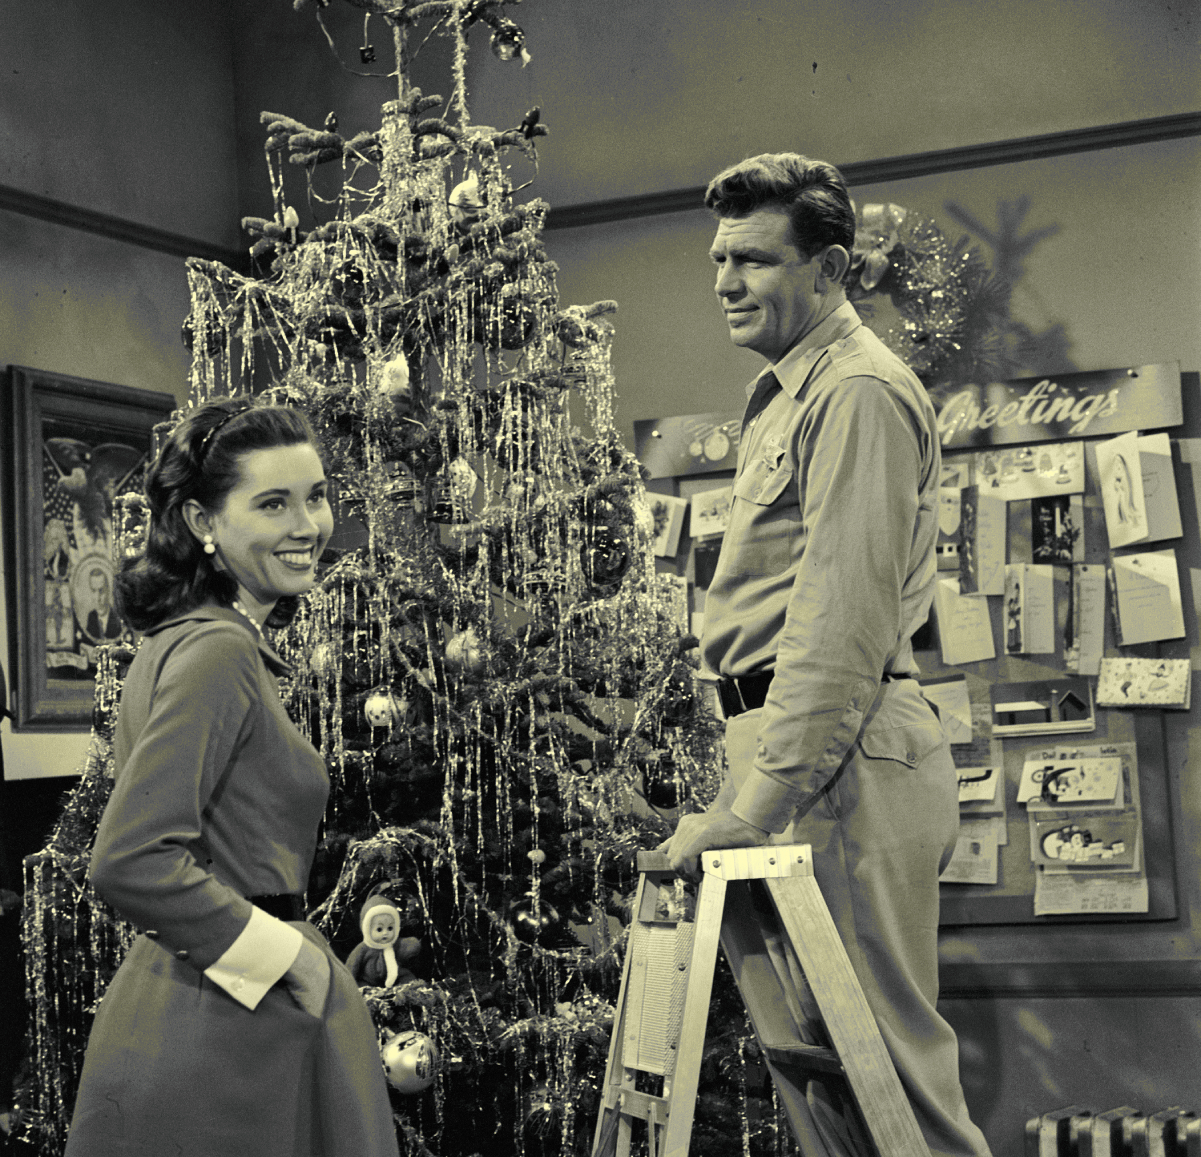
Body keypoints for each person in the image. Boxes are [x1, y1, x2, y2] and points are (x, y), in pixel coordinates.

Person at [661, 154, 991, 1157]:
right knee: (839, 1105)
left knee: (895, 1091)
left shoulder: (854, 392)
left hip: (836, 764)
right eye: (719, 259)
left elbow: (840, 625)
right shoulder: (790, 391)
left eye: (753, 260)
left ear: (831, 268)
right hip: (793, 753)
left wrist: (750, 805)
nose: (725, 281)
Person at [64, 399, 399, 1157]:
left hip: (203, 997)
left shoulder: (185, 640)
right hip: (229, 1030)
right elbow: (130, 858)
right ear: (202, 521)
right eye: (272, 503)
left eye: (316, 496)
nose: (308, 525)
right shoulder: (218, 652)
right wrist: (292, 959)